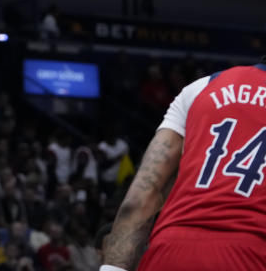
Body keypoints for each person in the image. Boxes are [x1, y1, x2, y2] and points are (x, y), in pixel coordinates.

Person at [101, 61, 266, 271]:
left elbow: (141, 196)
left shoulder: (201, 87)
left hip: (169, 250)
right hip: (249, 255)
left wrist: (112, 268)